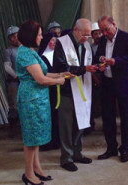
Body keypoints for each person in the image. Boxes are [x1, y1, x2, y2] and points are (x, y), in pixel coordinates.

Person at [16, 20, 66, 185]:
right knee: (31, 139)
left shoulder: (31, 51)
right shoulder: (25, 53)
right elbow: (40, 79)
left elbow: (44, 73)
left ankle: (36, 168)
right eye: (39, 34)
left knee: (35, 137)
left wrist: (60, 74)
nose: (42, 37)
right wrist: (58, 81)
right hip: (31, 100)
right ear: (31, 36)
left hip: (38, 100)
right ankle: (28, 174)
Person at [53, 18, 98, 171]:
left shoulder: (86, 45)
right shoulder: (61, 43)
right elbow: (61, 66)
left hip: (83, 89)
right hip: (66, 91)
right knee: (66, 125)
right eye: (84, 34)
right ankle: (66, 158)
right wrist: (84, 69)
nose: (86, 38)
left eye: (89, 35)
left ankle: (77, 153)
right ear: (75, 30)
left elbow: (89, 63)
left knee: (81, 122)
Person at [95, 16, 128, 163]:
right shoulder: (102, 40)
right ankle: (111, 148)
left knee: (126, 118)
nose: (104, 33)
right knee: (108, 118)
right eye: (101, 31)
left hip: (124, 84)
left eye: (106, 29)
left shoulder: (126, 38)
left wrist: (116, 61)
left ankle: (125, 148)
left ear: (114, 24)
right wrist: (101, 60)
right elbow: (97, 56)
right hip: (107, 84)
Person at [38, 32, 60, 151]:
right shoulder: (41, 57)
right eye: (51, 40)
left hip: (56, 90)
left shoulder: (58, 54)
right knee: (47, 116)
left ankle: (56, 140)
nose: (53, 43)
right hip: (45, 91)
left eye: (55, 41)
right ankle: (46, 142)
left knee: (56, 116)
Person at [4, 26, 21, 137]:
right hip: (15, 82)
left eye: (16, 36)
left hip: (28, 81)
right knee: (15, 106)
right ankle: (14, 131)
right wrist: (16, 76)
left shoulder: (29, 48)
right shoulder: (9, 51)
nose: (15, 38)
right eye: (12, 37)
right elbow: (7, 66)